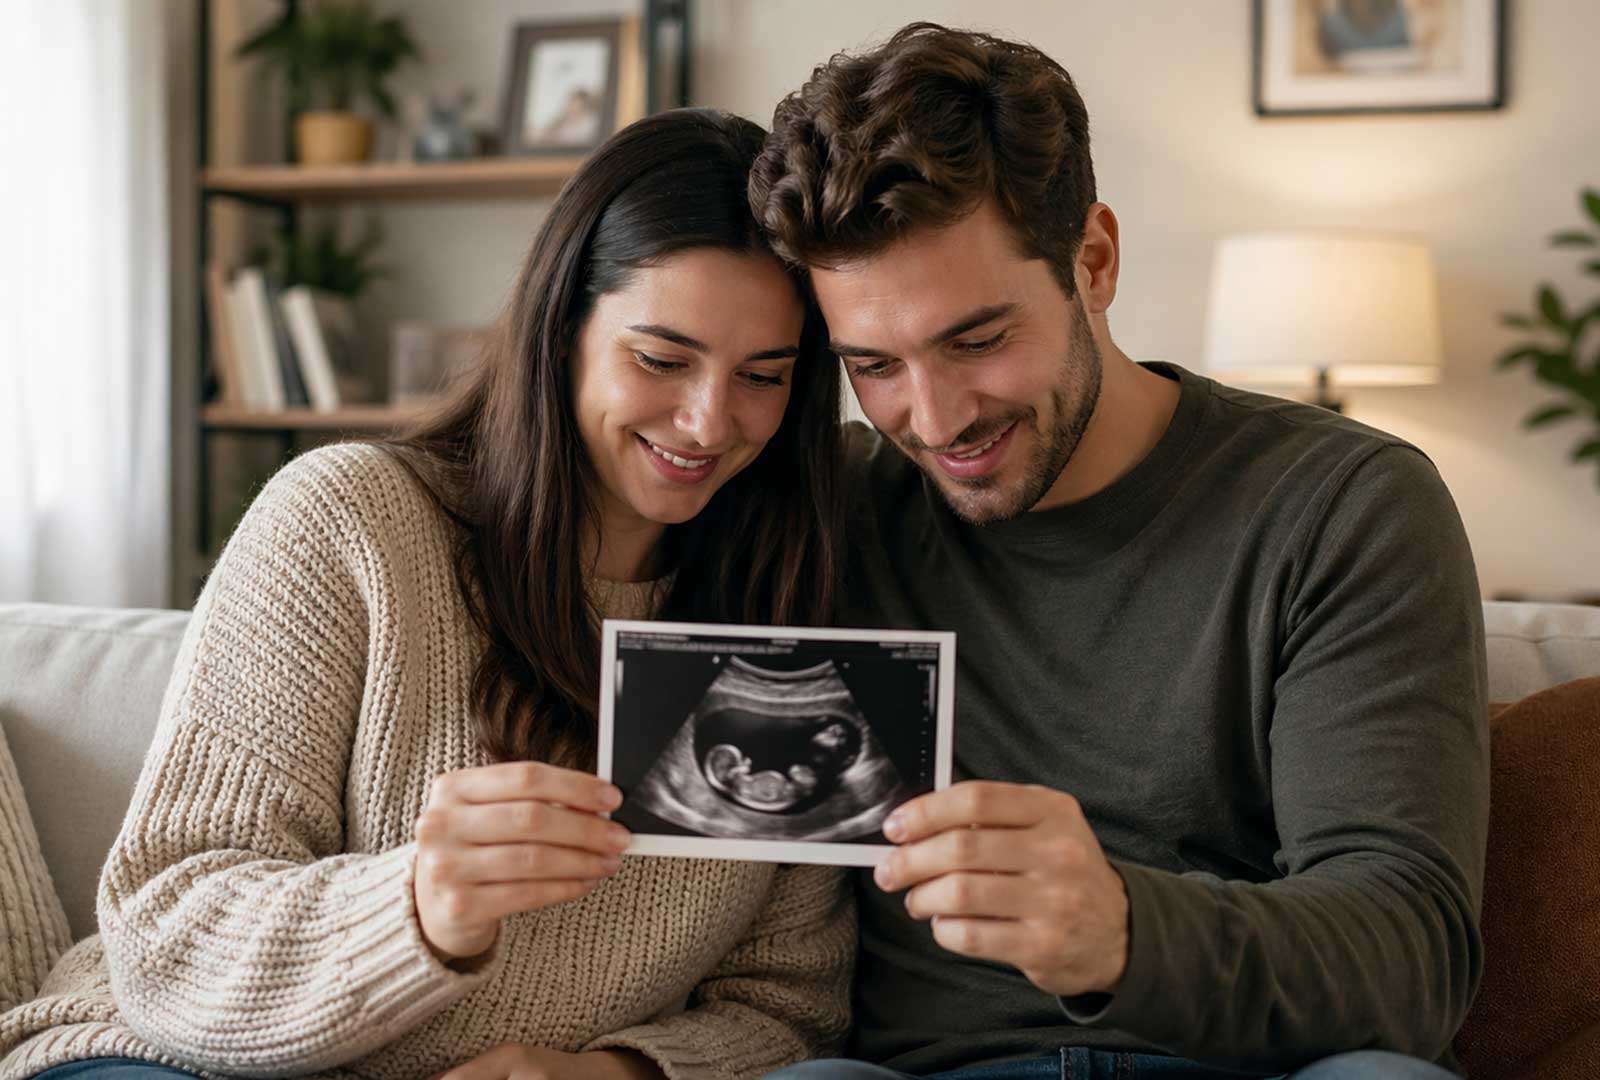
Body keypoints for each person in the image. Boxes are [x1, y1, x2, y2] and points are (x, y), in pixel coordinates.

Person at [0, 108, 853, 1080]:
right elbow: (168, 932)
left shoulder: (787, 601)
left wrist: (612, 1072)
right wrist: (419, 906)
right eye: (660, 359)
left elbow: (788, 1006)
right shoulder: (350, 521)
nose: (708, 420)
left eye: (763, 376)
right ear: (560, 330)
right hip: (167, 1058)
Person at [749, 22, 1487, 1080]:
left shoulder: (1340, 507)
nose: (934, 417)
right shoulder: (833, 510)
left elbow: (1409, 957)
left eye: (977, 340)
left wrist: (1124, 935)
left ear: (1092, 260)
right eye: (873, 363)